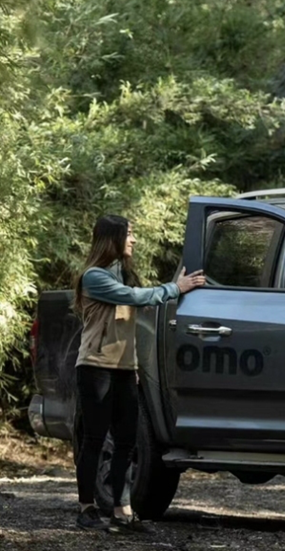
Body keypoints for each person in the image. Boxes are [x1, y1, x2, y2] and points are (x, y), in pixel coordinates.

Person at [72, 215, 205, 532]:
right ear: (112, 239)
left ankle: (123, 511)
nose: (133, 240)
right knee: (94, 440)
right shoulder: (94, 277)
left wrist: (132, 367)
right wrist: (176, 288)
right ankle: (86, 508)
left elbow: (128, 323)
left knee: (126, 442)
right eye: (129, 234)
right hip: (95, 368)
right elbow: (135, 297)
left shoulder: (123, 275)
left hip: (123, 369)